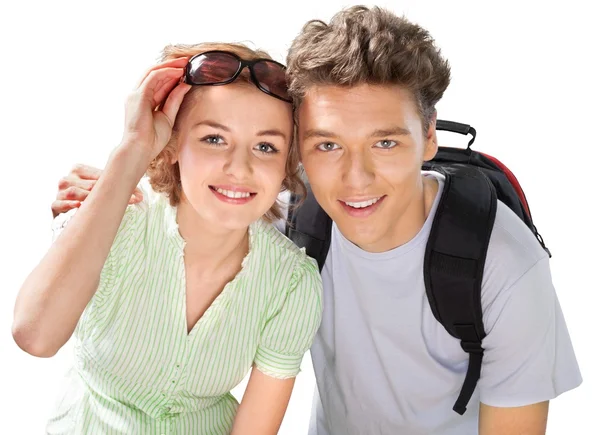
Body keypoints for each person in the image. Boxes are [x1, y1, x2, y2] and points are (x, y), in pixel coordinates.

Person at [47, 5, 582, 435]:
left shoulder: (503, 263)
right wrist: (111, 192)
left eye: (386, 142)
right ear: (298, 151)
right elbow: (211, 199)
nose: (356, 179)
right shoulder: (298, 224)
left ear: (429, 138)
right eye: (327, 144)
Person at [12, 42, 322, 435]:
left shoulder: (291, 282)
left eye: (265, 146)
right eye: (214, 138)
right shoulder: (116, 221)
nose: (239, 167)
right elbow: (35, 336)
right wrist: (132, 150)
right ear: (173, 144)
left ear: (286, 165)